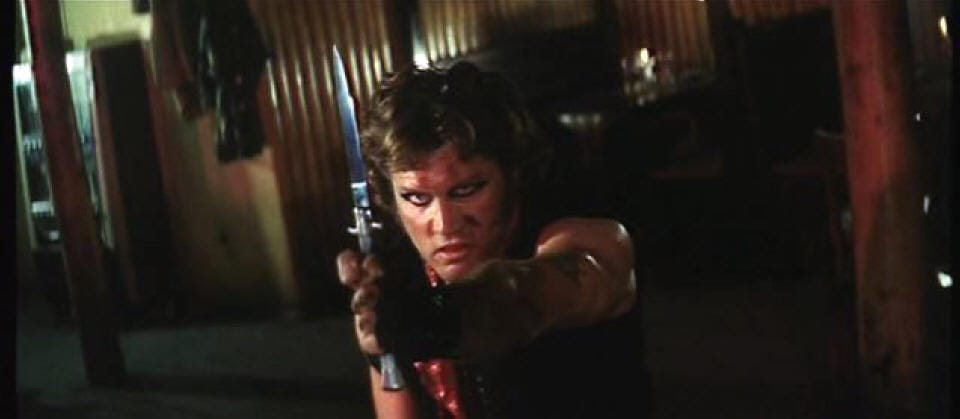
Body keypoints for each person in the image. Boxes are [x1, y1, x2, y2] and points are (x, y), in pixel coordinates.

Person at [336, 61, 650, 418]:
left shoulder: (587, 238)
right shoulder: (397, 280)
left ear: (512, 175)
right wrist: (379, 337)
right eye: (417, 198)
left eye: (466, 190)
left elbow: (524, 298)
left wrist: (432, 319)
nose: (445, 224)